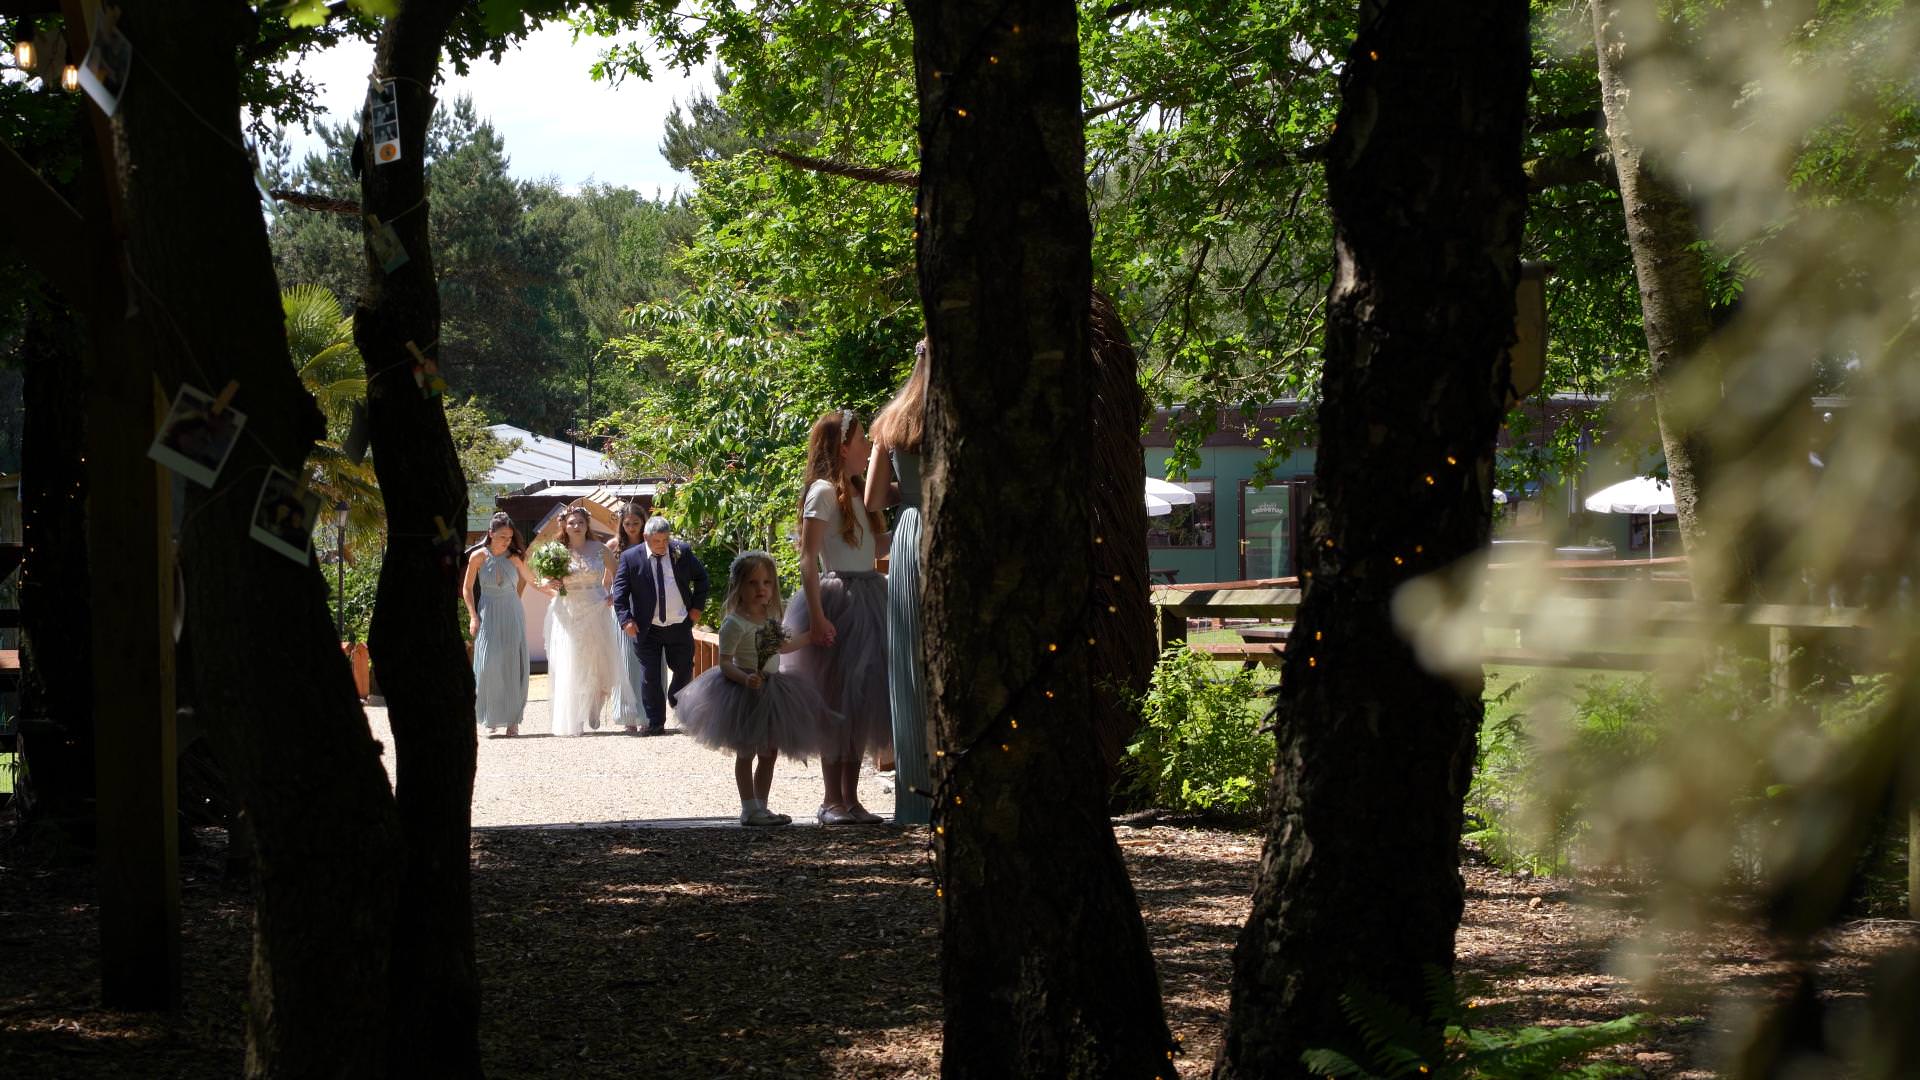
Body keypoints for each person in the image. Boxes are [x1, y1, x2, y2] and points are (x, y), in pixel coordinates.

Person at [673, 552, 838, 825]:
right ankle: (748, 807)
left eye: (767, 583)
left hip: (773, 689)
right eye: (753, 583)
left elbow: (782, 647)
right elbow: (725, 663)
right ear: (739, 587)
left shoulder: (769, 619)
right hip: (744, 691)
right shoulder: (734, 623)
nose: (761, 589)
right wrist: (743, 678)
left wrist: (809, 636)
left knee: (769, 753)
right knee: (746, 752)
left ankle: (762, 805)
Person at [785, 409, 891, 824]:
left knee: (860, 701)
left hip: (868, 594)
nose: (868, 449)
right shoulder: (824, 493)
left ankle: (851, 797)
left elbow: (871, 549)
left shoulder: (858, 494)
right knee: (836, 700)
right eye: (863, 441)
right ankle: (831, 800)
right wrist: (816, 615)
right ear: (843, 446)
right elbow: (808, 556)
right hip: (839, 601)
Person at [865, 341, 933, 825]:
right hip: (946, 526)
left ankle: (914, 797)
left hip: (909, 528)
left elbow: (872, 498)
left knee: (908, 658)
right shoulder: (958, 416)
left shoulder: (892, 421)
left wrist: (906, 489)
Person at [611, 515, 711, 736]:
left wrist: (696, 608)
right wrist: (626, 619)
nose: (662, 545)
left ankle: (676, 699)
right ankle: (656, 723)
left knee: (684, 668)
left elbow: (702, 579)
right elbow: (619, 593)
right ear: (646, 537)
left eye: (665, 540)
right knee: (650, 676)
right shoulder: (630, 558)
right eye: (657, 541)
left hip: (679, 624)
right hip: (647, 628)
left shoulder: (681, 552)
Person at [462, 513, 552, 737]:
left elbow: (532, 581)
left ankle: (512, 719)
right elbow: (466, 589)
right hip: (488, 611)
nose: (506, 541)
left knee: (512, 665)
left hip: (512, 611)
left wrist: (554, 590)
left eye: (510, 537)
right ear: (490, 534)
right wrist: (473, 616)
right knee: (487, 665)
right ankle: (490, 717)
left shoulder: (514, 558)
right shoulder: (477, 556)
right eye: (502, 536)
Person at [539, 506, 624, 737]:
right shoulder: (556, 550)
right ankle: (574, 715)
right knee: (572, 661)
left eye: (580, 522)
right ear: (564, 526)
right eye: (572, 523)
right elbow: (543, 577)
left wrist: (614, 594)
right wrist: (550, 582)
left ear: (587, 525)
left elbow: (618, 573)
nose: (576, 526)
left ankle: (595, 705)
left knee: (597, 659)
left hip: (596, 606)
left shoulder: (600, 549)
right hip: (568, 610)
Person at [604, 503, 650, 732]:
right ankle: (628, 714)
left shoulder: (650, 544)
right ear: (622, 525)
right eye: (628, 524)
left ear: (643, 523)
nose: (632, 527)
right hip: (623, 609)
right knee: (626, 661)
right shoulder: (613, 546)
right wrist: (610, 596)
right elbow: (605, 582)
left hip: (647, 607)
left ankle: (648, 713)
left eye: (636, 523)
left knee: (648, 661)